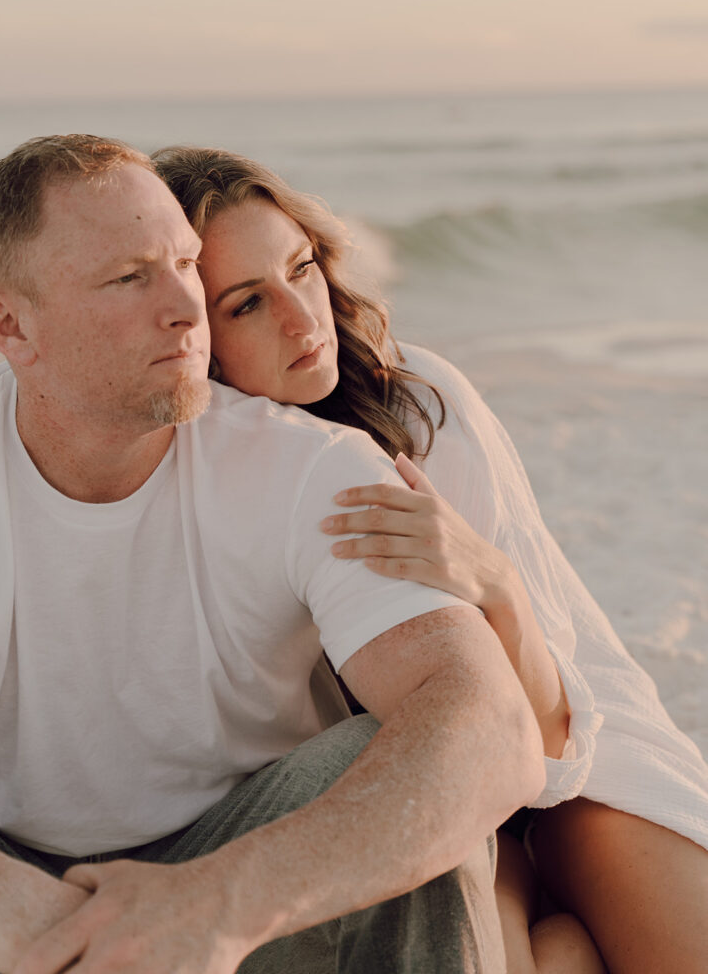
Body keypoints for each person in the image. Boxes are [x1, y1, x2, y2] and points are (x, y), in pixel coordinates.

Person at [0, 134, 548, 974]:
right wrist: (34, 924)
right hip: (2, 877)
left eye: (184, 263)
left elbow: (489, 726)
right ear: (12, 327)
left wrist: (213, 907)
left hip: (244, 867)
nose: (185, 307)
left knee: (399, 783)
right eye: (130, 278)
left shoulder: (311, 465)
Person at [153, 145, 708, 974]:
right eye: (246, 304)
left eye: (301, 269)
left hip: (568, 754)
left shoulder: (413, 399)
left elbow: (554, 741)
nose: (302, 320)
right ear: (191, 332)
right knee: (540, 948)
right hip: (407, 788)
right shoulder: (187, 475)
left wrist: (494, 584)